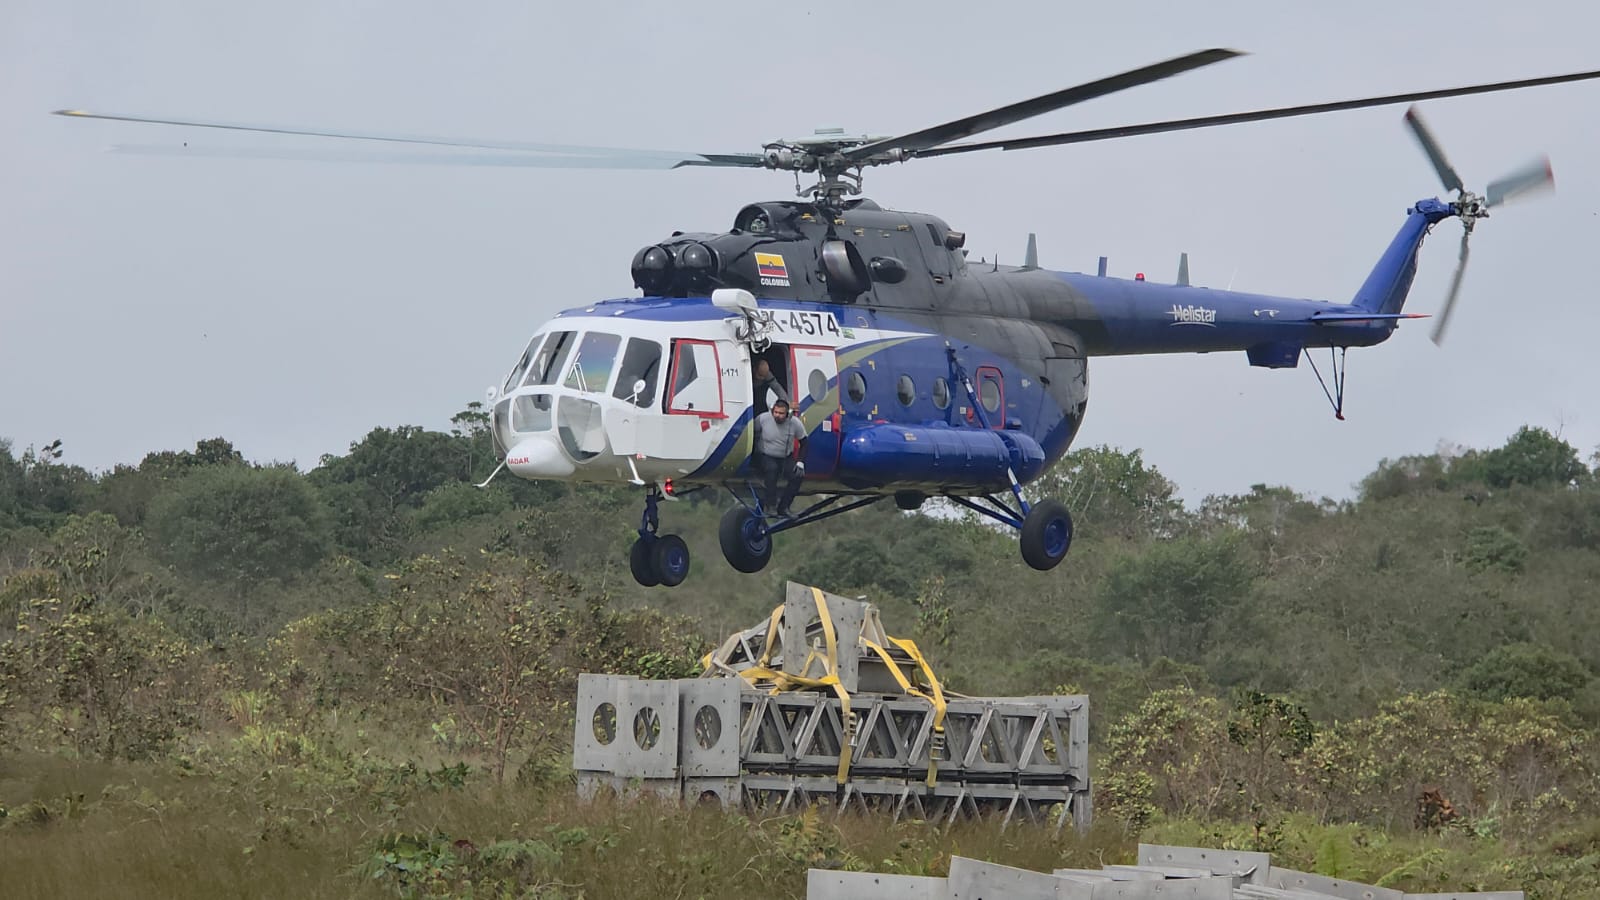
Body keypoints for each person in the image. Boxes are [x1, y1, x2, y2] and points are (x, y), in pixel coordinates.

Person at [751, 398, 807, 516]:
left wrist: (800, 462)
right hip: (765, 455)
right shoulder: (762, 419)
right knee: (772, 469)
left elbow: (805, 442)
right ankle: (771, 506)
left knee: (797, 476)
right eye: (775, 412)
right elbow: (752, 433)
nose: (777, 415)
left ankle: (784, 507)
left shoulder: (795, 423)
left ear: (788, 414)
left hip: (785, 456)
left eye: (781, 413)